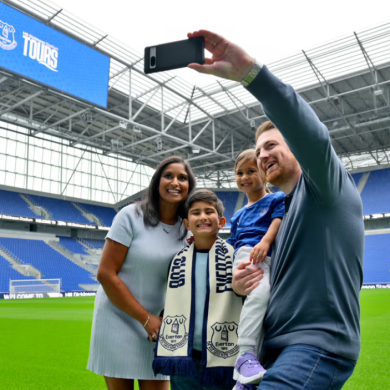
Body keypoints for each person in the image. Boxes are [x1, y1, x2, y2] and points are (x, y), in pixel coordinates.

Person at [187, 30, 364, 390]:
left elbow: (312, 135)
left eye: (271, 145)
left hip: (315, 347)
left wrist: (250, 74)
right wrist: (241, 286)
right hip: (272, 349)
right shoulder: (282, 209)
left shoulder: (326, 188)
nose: (262, 155)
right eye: (258, 150)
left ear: (296, 147)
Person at [87, 156, 196, 390]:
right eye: (168, 176)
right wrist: (145, 319)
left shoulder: (189, 228)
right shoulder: (130, 216)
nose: (175, 182)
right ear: (157, 182)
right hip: (118, 318)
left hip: (160, 327)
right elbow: (106, 274)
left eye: (182, 178)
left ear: (189, 186)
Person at [153, 189, 243, 390]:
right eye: (195, 212)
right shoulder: (176, 261)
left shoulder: (236, 258)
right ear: (187, 223)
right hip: (185, 357)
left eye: (209, 211)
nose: (202, 217)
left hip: (227, 356)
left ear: (221, 221)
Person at [226, 149, 285, 387]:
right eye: (239, 173)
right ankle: (245, 354)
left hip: (267, 257)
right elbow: (232, 244)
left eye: (251, 171)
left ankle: (245, 379)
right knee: (259, 296)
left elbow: (278, 220)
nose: (245, 177)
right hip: (249, 256)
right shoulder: (238, 215)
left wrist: (266, 241)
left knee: (262, 315)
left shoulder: (275, 198)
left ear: (264, 172)